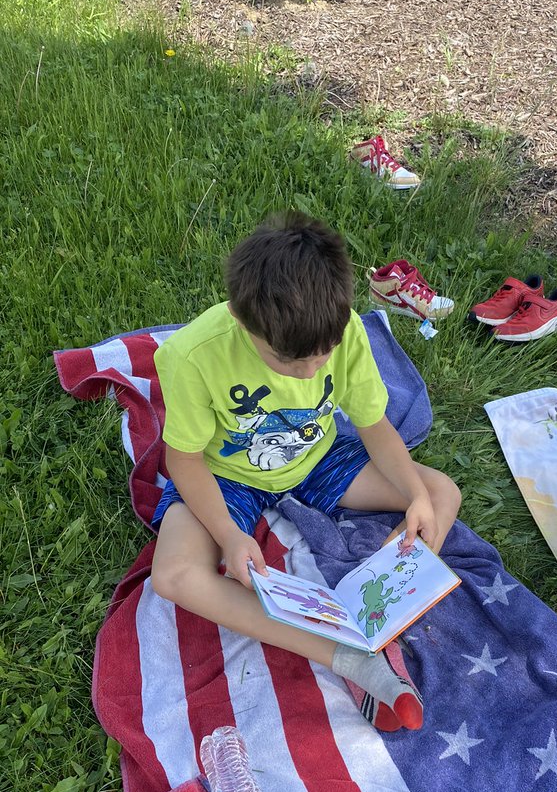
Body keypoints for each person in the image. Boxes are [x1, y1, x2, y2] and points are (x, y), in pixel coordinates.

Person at [150, 211, 461, 731]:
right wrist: (228, 535)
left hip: (315, 457)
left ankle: (377, 621)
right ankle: (348, 660)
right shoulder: (192, 356)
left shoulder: (348, 332)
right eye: (288, 361)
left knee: (439, 492)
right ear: (243, 321)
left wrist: (414, 495)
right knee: (174, 574)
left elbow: (374, 425)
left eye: (323, 355)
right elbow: (181, 459)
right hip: (227, 475)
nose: (311, 371)